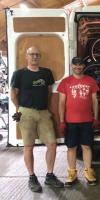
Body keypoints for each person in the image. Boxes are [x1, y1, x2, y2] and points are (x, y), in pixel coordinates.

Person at [10, 46, 64, 193]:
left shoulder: (46, 73)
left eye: (37, 55)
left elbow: (48, 92)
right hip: (26, 113)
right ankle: (32, 177)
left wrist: (46, 108)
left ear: (40, 57)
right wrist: (19, 110)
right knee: (28, 146)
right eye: (32, 54)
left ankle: (50, 175)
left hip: (43, 112)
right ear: (26, 56)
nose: (34, 57)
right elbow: (13, 94)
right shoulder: (19, 74)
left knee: (52, 144)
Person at [57, 57, 99, 186]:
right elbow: (61, 103)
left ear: (83, 67)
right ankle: (72, 173)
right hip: (70, 122)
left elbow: (95, 101)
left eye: (80, 65)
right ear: (71, 66)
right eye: (75, 65)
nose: (78, 67)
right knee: (71, 148)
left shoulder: (91, 81)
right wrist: (62, 121)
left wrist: (96, 118)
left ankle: (88, 172)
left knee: (86, 146)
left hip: (86, 120)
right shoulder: (65, 82)